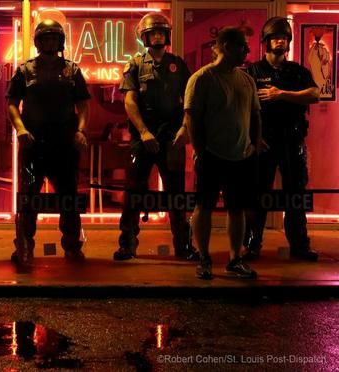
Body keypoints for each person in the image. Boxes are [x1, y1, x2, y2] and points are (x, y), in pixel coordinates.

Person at [113, 13, 198, 261]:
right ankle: (127, 244)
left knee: (176, 194)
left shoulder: (178, 64)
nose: (158, 36)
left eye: (162, 32)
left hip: (171, 136)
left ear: (167, 36)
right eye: (154, 33)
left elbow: (190, 100)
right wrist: (143, 131)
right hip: (143, 136)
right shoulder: (135, 64)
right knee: (133, 193)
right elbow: (129, 101)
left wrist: (185, 128)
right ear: (145, 37)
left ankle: (183, 246)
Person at [6, 19, 91, 266]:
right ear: (38, 42)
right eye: (46, 38)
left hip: (64, 146)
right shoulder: (25, 71)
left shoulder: (72, 70)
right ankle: (24, 245)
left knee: (69, 198)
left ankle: (72, 246)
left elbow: (83, 105)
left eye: (55, 38)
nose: (51, 42)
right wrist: (20, 129)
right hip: (34, 147)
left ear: (60, 41)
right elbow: (11, 104)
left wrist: (81, 131)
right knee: (28, 198)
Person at [184, 27, 262, 279]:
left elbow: (256, 113)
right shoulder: (202, 78)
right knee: (204, 206)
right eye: (243, 46)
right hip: (212, 154)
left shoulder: (246, 79)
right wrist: (199, 150)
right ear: (227, 46)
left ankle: (234, 258)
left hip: (241, 155)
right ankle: (204, 258)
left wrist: (255, 143)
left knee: (236, 208)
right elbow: (191, 117)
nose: (247, 51)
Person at [243, 17, 320, 261]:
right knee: (257, 195)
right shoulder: (252, 71)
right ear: (266, 41)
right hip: (263, 142)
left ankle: (299, 245)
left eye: (284, 38)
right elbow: (241, 106)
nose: (280, 41)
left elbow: (314, 94)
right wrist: (252, 138)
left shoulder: (297, 71)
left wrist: (282, 94)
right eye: (276, 37)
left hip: (292, 141)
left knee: (295, 195)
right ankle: (252, 245)